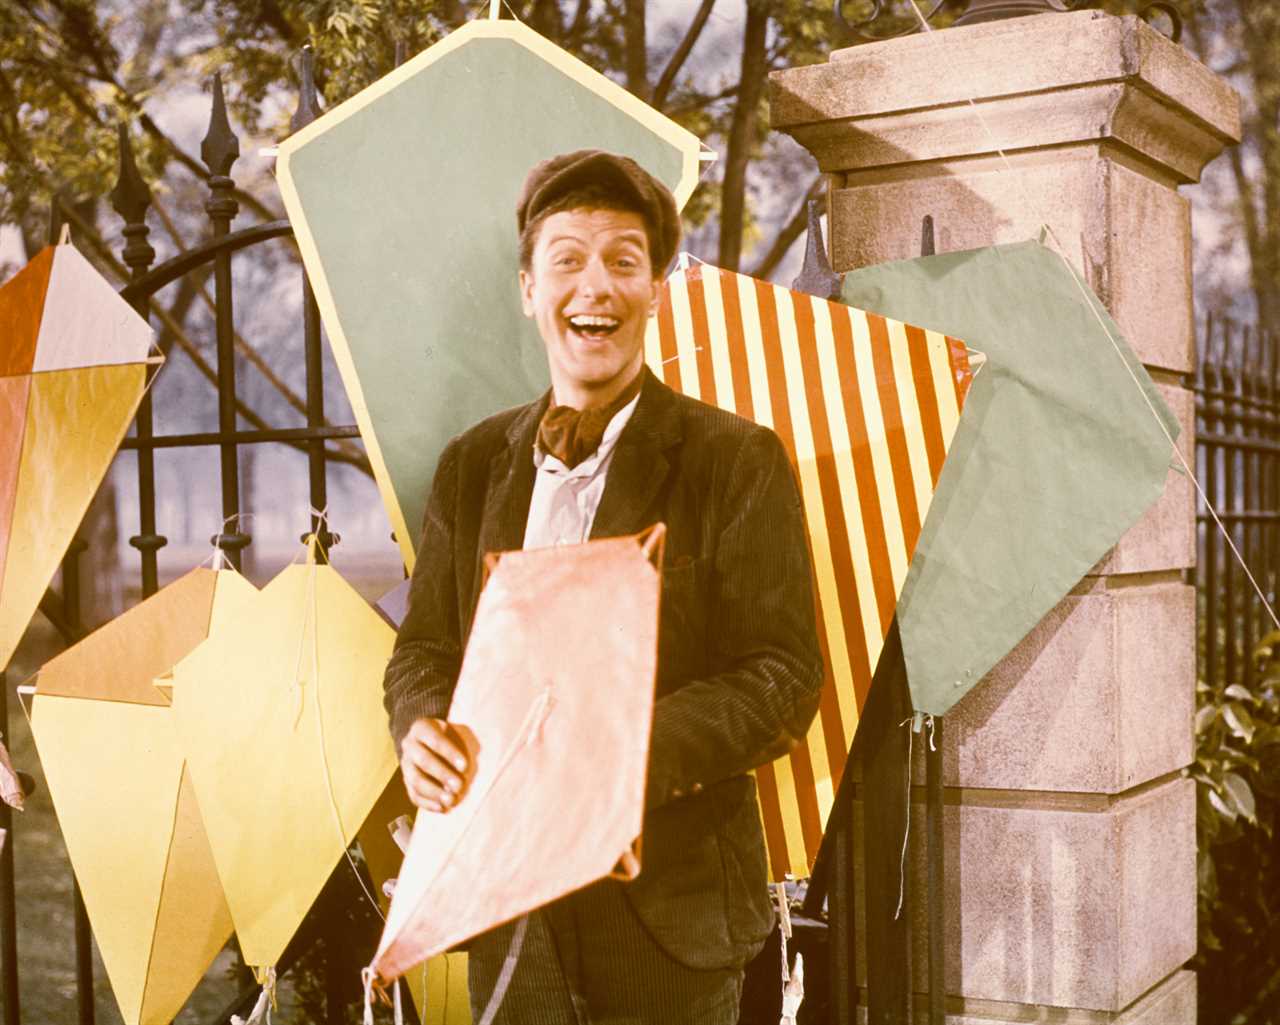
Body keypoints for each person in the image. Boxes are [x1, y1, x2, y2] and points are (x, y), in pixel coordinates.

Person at [383, 149, 823, 1024]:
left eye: (625, 260)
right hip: (507, 908)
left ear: (655, 289)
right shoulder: (472, 466)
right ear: (527, 287)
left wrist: (614, 753)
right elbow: (424, 648)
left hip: (673, 921)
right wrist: (419, 723)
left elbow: (782, 677)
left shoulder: (736, 460)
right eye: (568, 260)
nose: (597, 286)